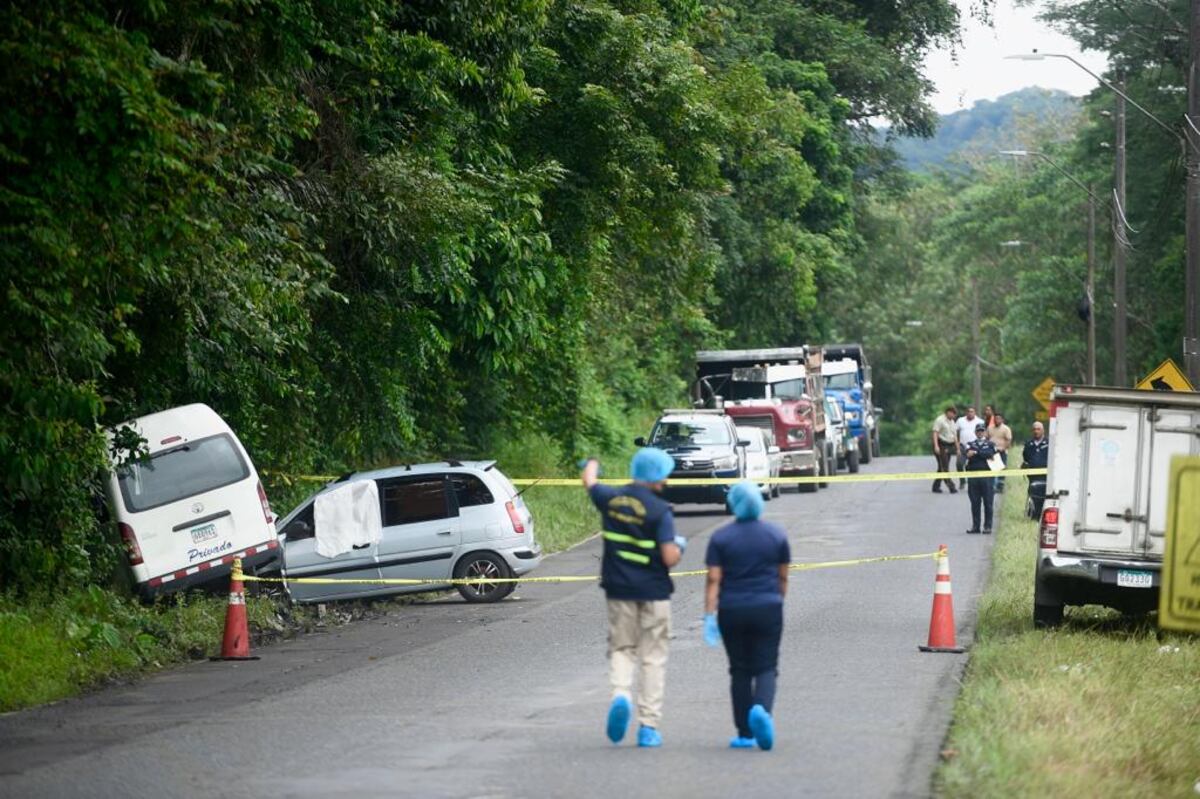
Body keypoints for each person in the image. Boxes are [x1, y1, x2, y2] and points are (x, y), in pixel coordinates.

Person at [582, 448, 685, 748]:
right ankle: (648, 727)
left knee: (622, 648)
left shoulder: (611, 500)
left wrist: (592, 462)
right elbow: (668, 557)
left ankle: (620, 696)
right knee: (653, 658)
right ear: (660, 476)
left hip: (619, 591)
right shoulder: (660, 510)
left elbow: (590, 482)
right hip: (654, 592)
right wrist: (679, 547)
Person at [703, 481, 790, 751]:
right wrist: (777, 600)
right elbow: (783, 575)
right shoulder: (776, 535)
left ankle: (744, 733)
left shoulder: (721, 538)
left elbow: (713, 579)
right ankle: (762, 711)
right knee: (766, 666)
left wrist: (709, 614)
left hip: (732, 609)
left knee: (739, 669)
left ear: (734, 503)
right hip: (768, 606)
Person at [963, 422, 998, 534]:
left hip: (987, 477)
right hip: (973, 477)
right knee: (975, 502)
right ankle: (975, 526)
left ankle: (988, 526)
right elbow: (967, 454)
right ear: (975, 432)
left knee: (988, 503)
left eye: (982, 430)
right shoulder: (970, 443)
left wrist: (976, 452)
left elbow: (990, 454)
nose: (980, 432)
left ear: (985, 432)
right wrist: (980, 454)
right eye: (978, 431)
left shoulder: (990, 444)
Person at [1021, 421, 1050, 517]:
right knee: (1033, 494)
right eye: (1034, 429)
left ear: (1043, 430)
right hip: (1033, 475)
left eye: (1038, 429)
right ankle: (1033, 514)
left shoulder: (1049, 443)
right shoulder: (1029, 444)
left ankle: (1042, 514)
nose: (1036, 431)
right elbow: (1026, 457)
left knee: (1044, 495)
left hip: (1046, 475)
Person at [930, 406, 959, 494]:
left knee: (942, 466)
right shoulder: (940, 420)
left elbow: (955, 436)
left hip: (949, 445)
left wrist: (957, 448)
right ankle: (951, 486)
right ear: (948, 412)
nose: (953, 416)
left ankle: (936, 486)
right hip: (941, 444)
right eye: (953, 414)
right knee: (944, 466)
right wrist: (936, 446)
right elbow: (935, 433)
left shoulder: (952, 422)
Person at [987, 411, 1013, 493]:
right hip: (992, 451)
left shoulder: (1006, 429)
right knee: (992, 469)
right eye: (995, 418)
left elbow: (1009, 440)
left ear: (1002, 420)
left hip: (1001, 451)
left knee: (1001, 469)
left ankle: (1000, 487)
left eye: (998, 418)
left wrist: (1004, 448)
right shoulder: (990, 428)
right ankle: (992, 486)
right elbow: (987, 438)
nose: (996, 420)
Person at [955, 406, 981, 489]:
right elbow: (956, 433)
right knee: (959, 464)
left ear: (975, 412)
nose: (970, 413)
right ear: (966, 412)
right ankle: (962, 481)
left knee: (973, 466)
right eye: (969, 411)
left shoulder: (979, 421)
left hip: (974, 446)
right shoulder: (960, 420)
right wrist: (957, 447)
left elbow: (982, 434)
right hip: (963, 446)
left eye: (972, 411)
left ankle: (972, 483)